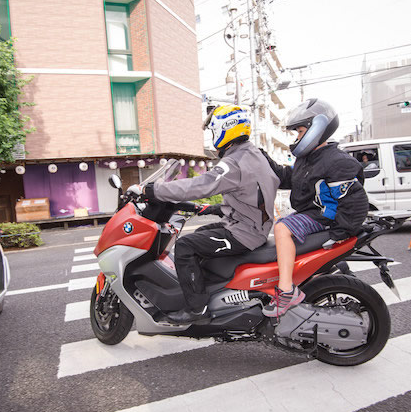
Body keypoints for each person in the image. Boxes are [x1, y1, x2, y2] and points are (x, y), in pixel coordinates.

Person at [130, 105, 280, 323]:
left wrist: (153, 190)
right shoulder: (252, 154)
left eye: (213, 131)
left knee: (185, 246)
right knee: (201, 233)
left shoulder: (234, 162)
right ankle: (205, 289)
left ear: (225, 129)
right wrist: (213, 209)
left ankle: (196, 308)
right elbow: (248, 194)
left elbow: (202, 185)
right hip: (248, 225)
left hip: (245, 232)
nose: (212, 137)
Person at [260, 98, 369, 317]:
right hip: (311, 213)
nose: (297, 137)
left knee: (282, 228)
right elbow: (286, 178)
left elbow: (356, 202)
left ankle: (286, 291)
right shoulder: (308, 159)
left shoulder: (337, 161)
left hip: (323, 217)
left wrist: (340, 232)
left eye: (300, 131)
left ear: (317, 128)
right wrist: (263, 158)